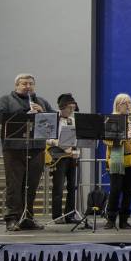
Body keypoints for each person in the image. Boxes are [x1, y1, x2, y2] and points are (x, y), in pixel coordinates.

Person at [0, 73, 52, 231]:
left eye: (31, 83)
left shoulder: (42, 102)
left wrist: (43, 114)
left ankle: (27, 218)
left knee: (31, 186)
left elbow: (54, 121)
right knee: (14, 185)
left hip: (36, 148)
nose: (28, 86)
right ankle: (12, 219)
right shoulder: (5, 100)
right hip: (13, 149)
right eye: (24, 83)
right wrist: (24, 113)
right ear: (16, 86)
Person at [104, 93, 131, 229]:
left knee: (128, 192)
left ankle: (123, 220)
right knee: (115, 190)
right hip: (117, 162)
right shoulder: (111, 120)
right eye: (124, 103)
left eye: (130, 103)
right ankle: (110, 219)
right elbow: (106, 140)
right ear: (117, 105)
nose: (128, 106)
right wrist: (123, 137)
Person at [47, 93, 80, 224]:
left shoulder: (73, 120)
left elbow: (76, 138)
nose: (72, 110)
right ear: (62, 107)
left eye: (73, 107)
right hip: (58, 156)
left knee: (73, 186)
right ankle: (57, 215)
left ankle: (70, 214)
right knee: (58, 187)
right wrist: (60, 145)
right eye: (69, 108)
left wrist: (76, 150)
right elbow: (47, 138)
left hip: (71, 156)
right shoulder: (53, 119)